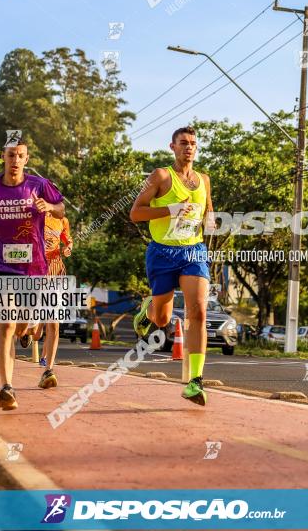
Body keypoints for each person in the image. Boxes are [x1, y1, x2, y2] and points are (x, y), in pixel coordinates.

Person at [0, 139, 64, 410]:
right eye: (11, 155)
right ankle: (6, 388)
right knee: (7, 325)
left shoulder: (39, 185)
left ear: (27, 159)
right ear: (3, 157)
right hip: (0, 263)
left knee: (24, 323)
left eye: (20, 156)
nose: (15, 160)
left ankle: (26, 332)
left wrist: (48, 208)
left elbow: (61, 208)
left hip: (34, 266)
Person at [130, 126, 214, 406]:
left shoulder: (204, 179)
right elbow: (136, 213)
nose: (189, 147)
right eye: (183, 143)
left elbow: (208, 212)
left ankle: (195, 381)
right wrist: (171, 210)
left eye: (193, 143)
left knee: (199, 311)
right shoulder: (160, 176)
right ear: (172, 147)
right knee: (163, 320)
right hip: (162, 253)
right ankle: (148, 309)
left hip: (194, 251)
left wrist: (214, 222)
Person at [37, 214, 73, 384]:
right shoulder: (34, 216)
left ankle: (48, 370)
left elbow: (69, 241)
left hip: (55, 273)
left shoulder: (62, 220)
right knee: (34, 333)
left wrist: (68, 249)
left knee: (54, 323)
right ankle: (31, 331)